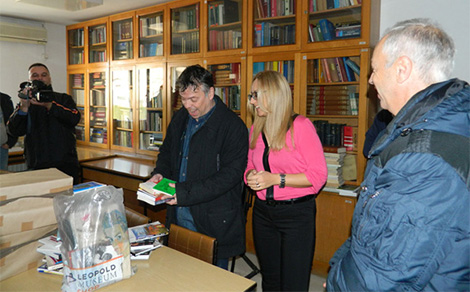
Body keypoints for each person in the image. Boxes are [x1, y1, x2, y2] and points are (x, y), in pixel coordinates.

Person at [327, 18, 470, 291]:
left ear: (402, 69)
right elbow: (370, 232)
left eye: (375, 70)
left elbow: (384, 276)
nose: (370, 80)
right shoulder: (427, 126)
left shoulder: (425, 159)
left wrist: (335, 282)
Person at [148, 65, 248, 270]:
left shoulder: (232, 126)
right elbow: (166, 153)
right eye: (183, 99)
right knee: (180, 273)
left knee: (211, 279)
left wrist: (184, 193)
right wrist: (159, 173)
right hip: (179, 212)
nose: (188, 105)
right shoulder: (180, 119)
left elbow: (230, 176)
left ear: (210, 92)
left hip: (213, 217)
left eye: (194, 99)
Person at [245, 70, 327, 291]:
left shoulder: (300, 126)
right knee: (270, 280)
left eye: (256, 95)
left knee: (294, 283)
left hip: (296, 216)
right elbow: (250, 166)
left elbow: (317, 177)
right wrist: (250, 177)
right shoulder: (256, 129)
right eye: (251, 95)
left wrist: (275, 179)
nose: (252, 102)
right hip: (263, 214)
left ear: (272, 95)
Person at [7, 63, 81, 183]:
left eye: (44, 75)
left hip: (65, 163)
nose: (40, 78)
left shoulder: (63, 99)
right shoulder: (26, 102)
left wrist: (50, 106)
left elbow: (74, 118)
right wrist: (24, 108)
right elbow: (13, 130)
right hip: (37, 165)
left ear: (49, 78)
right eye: (35, 75)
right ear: (29, 80)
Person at [0, 92, 18, 170]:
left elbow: (13, 123)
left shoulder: (4, 99)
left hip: (1, 148)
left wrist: (10, 142)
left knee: (3, 179)